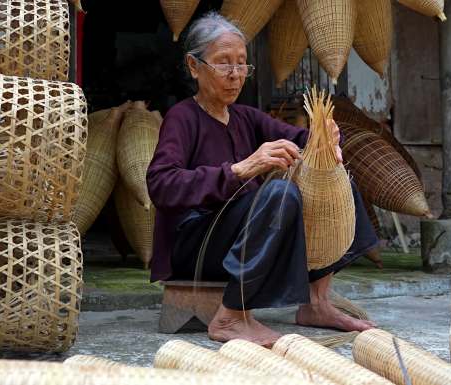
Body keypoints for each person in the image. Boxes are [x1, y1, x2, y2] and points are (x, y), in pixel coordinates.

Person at [146, 12, 379, 347]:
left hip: (240, 238)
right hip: (196, 246)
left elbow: (301, 138)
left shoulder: (245, 116)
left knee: (336, 180)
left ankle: (316, 302)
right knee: (280, 193)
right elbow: (161, 185)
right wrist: (241, 169)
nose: (235, 74)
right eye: (223, 63)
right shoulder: (182, 118)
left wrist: (325, 141)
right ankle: (230, 317)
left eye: (242, 64)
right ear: (194, 67)